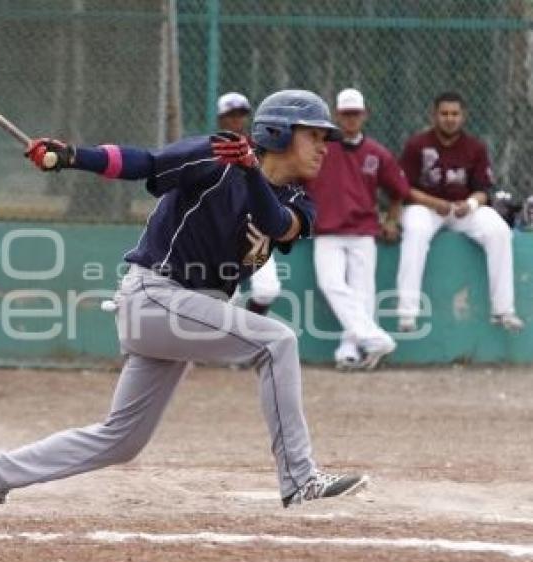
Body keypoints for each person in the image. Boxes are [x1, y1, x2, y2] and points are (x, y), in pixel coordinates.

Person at [0, 90, 368, 508]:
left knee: (121, 440)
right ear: (278, 133)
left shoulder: (298, 201)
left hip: (186, 312)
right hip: (156, 295)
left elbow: (276, 223)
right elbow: (145, 164)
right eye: (313, 135)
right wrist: (75, 155)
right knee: (277, 342)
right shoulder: (216, 155)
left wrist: (252, 172)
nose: (323, 148)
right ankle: (299, 480)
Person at [396, 92, 523, 332]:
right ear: (434, 115)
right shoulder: (417, 144)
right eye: (444, 113)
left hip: (462, 209)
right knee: (416, 230)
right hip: (426, 208)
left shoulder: (475, 147)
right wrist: (434, 203)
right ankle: (407, 314)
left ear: (463, 116)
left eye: (455, 114)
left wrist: (471, 205)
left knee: (498, 230)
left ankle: (503, 310)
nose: (449, 119)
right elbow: (405, 189)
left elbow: (483, 190)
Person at [305, 88, 409, 370]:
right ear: (337, 115)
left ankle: (349, 350)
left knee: (362, 292)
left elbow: (398, 191)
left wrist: (391, 220)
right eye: (346, 114)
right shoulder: (320, 147)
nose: (351, 119)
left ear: (365, 115)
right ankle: (375, 338)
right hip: (327, 230)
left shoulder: (377, 153)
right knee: (332, 284)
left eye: (355, 114)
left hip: (363, 231)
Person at [217, 92, 281, 316]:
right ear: (220, 118)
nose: (236, 120)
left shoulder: (261, 149)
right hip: (221, 232)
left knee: (267, 289)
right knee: (224, 296)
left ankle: (248, 335)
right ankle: (217, 346)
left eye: (241, 114)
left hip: (254, 229)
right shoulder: (210, 148)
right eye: (231, 115)